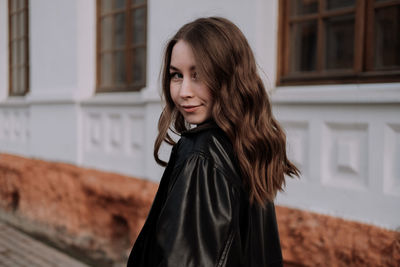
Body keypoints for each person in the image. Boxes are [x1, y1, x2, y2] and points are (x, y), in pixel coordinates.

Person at [127, 17, 299, 267]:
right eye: (177, 75)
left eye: (198, 75)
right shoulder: (247, 143)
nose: (184, 91)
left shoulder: (202, 154)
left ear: (229, 76)